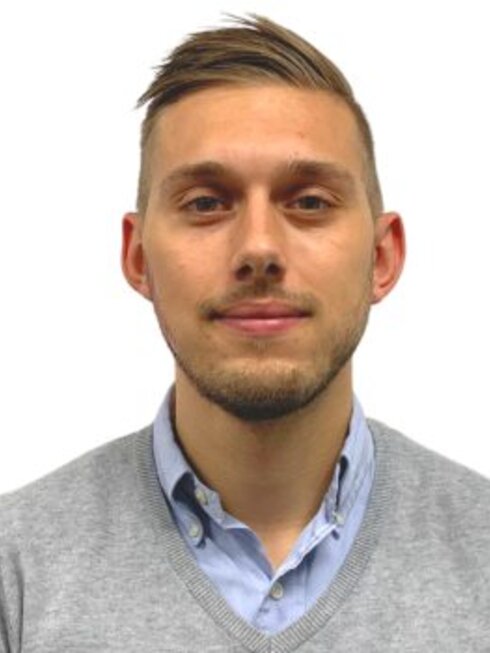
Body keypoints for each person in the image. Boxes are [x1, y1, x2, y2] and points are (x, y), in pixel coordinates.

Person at [1, 14, 489, 652]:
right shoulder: (17, 573)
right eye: (206, 203)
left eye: (309, 202)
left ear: (382, 257)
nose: (259, 248)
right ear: (139, 257)